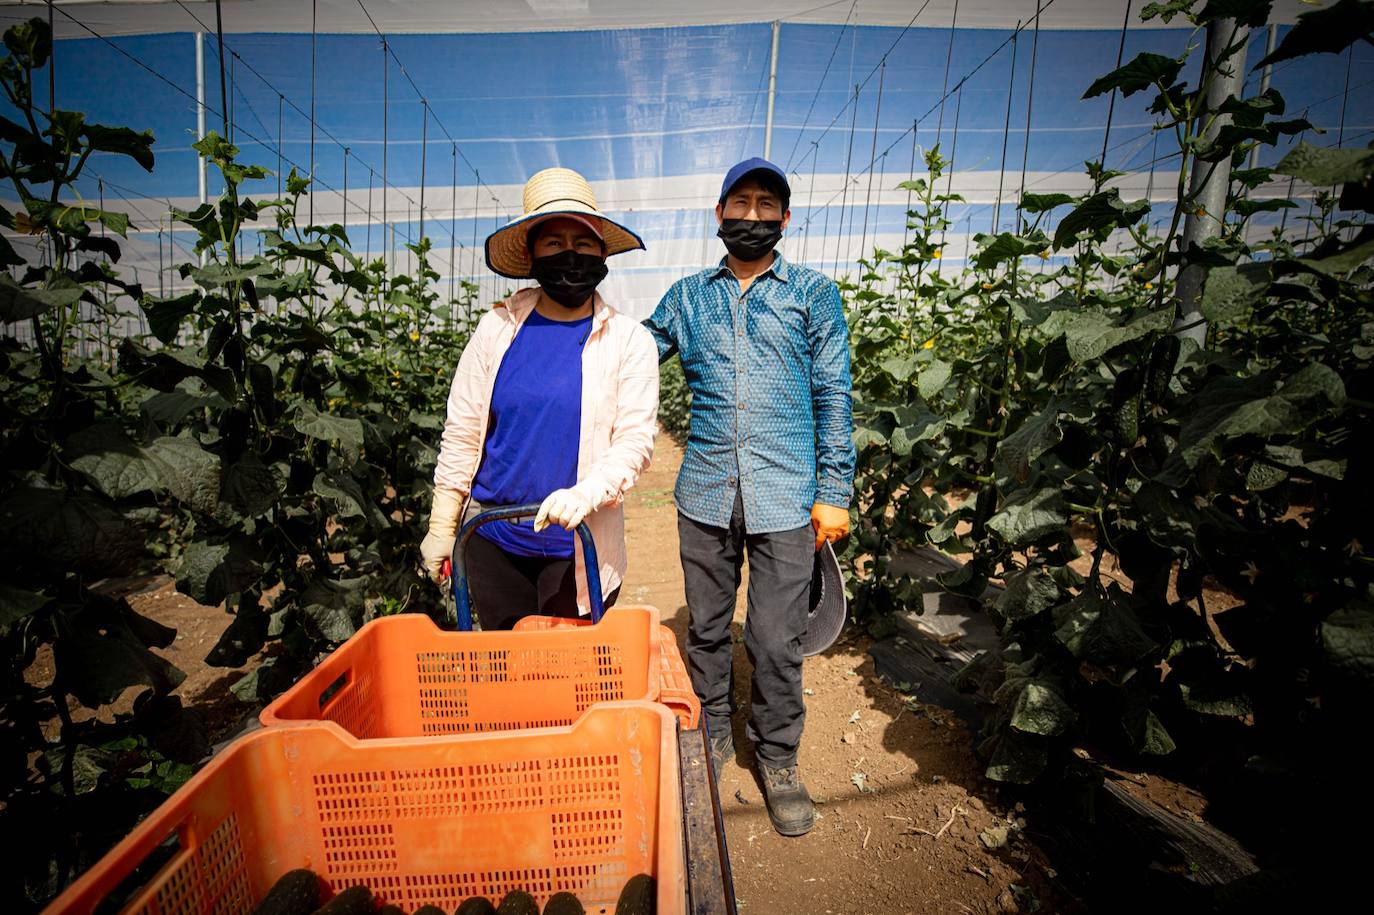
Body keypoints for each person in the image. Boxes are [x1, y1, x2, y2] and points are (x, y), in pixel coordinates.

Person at [644, 156, 855, 837]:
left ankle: (778, 755)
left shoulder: (814, 297)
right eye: (742, 203)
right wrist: (571, 332)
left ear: (786, 218)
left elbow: (833, 395)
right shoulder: (686, 296)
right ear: (720, 214)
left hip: (788, 494)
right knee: (706, 627)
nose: (754, 215)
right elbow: (634, 355)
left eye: (769, 205)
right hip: (704, 489)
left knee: (773, 636)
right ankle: (709, 728)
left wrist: (835, 488)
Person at [420, 167, 660, 630]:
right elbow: (463, 433)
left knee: (570, 676)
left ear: (603, 252)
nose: (569, 254)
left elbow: (634, 442)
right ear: (531, 253)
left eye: (584, 242)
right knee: (508, 671)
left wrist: (586, 494)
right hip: (492, 539)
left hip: (577, 546)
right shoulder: (497, 329)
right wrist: (441, 527)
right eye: (554, 243)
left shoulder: (629, 339)